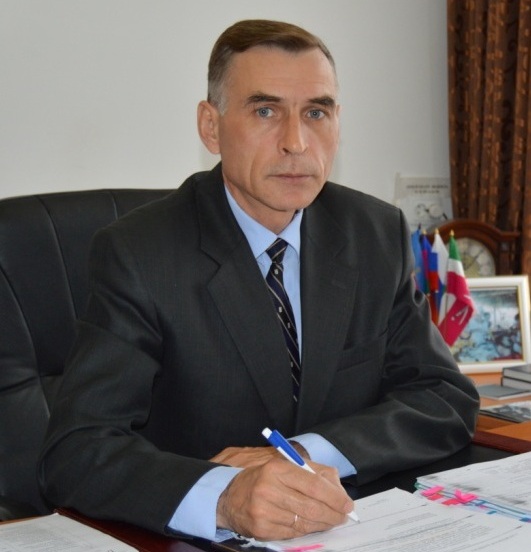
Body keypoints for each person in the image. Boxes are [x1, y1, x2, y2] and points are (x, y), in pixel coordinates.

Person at [38, 19, 479, 542]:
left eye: (316, 112)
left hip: (343, 529)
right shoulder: (139, 253)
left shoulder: (374, 232)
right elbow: (77, 450)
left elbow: (442, 397)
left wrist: (305, 453)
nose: (296, 142)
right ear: (211, 127)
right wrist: (225, 497)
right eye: (266, 111)